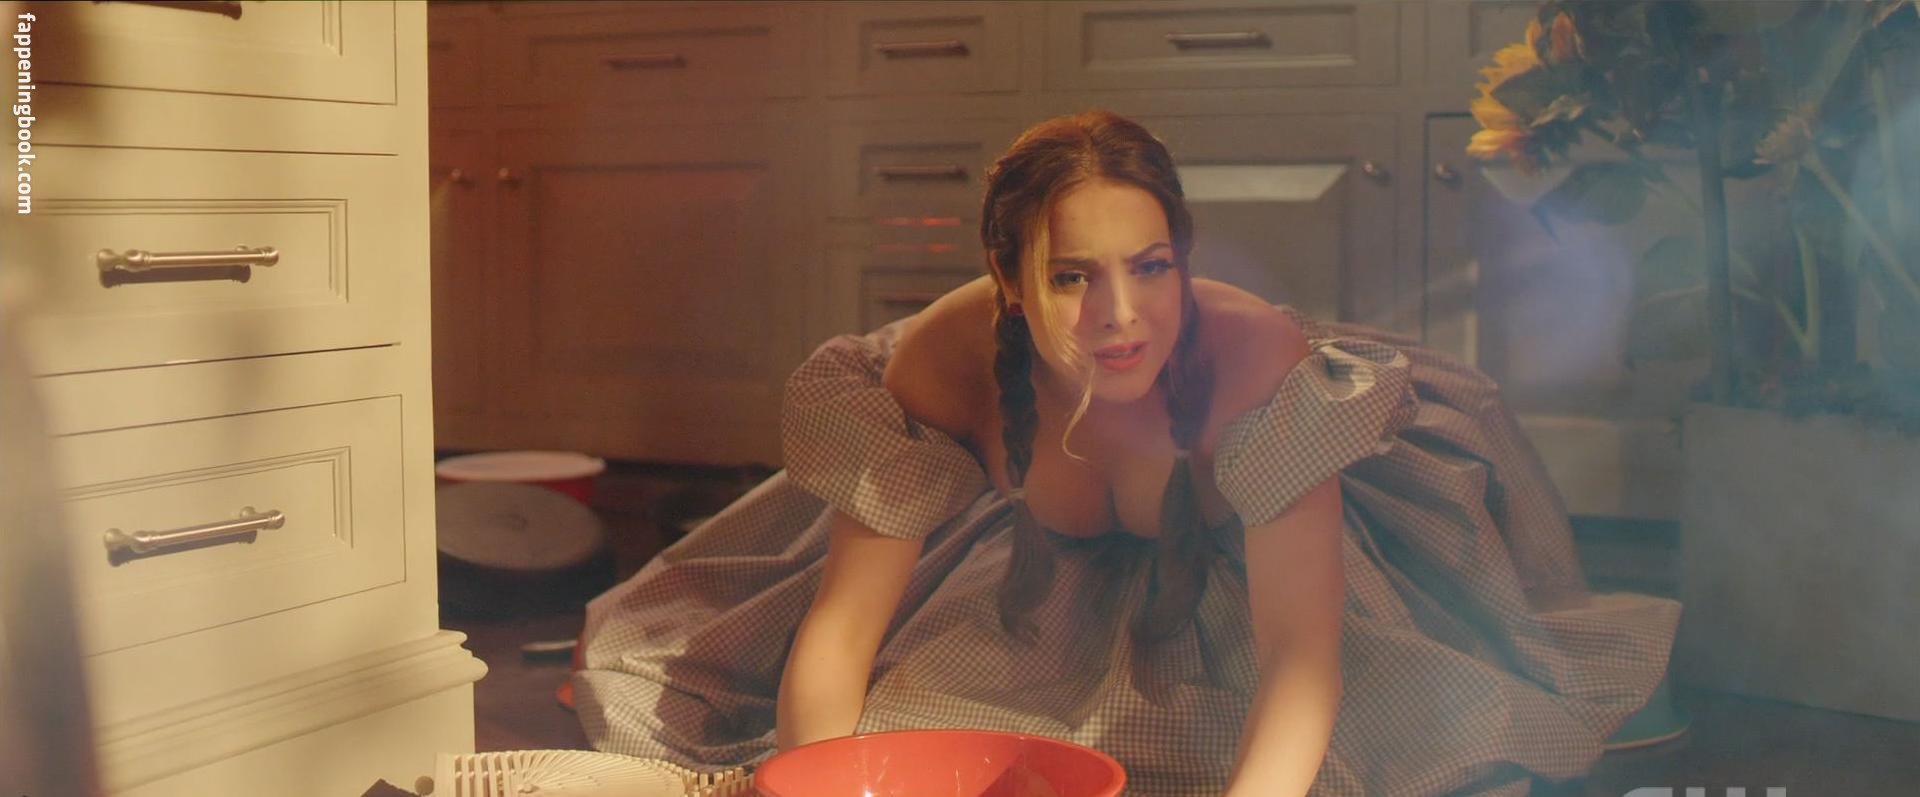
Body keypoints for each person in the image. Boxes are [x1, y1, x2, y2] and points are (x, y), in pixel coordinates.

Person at [571, 110, 1681, 796]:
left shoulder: (1257, 364)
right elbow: (842, 630)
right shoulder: (942, 363)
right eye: (1071, 277)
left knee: (1367, 756)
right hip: (1028, 574)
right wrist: (826, 786)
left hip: (1262, 574)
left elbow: (1300, 654)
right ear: (1008, 281)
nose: (1120, 317)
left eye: (1151, 267)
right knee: (916, 748)